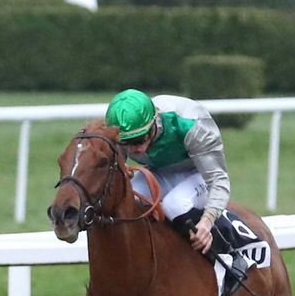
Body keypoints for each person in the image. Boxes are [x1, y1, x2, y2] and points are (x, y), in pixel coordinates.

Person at [104, 89, 248, 283]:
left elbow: (218, 181)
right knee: (128, 196)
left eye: (139, 140)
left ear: (154, 122)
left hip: (199, 173)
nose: (134, 149)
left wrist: (206, 221)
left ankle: (227, 254)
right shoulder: (119, 130)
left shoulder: (191, 124)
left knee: (175, 203)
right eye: (126, 143)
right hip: (159, 172)